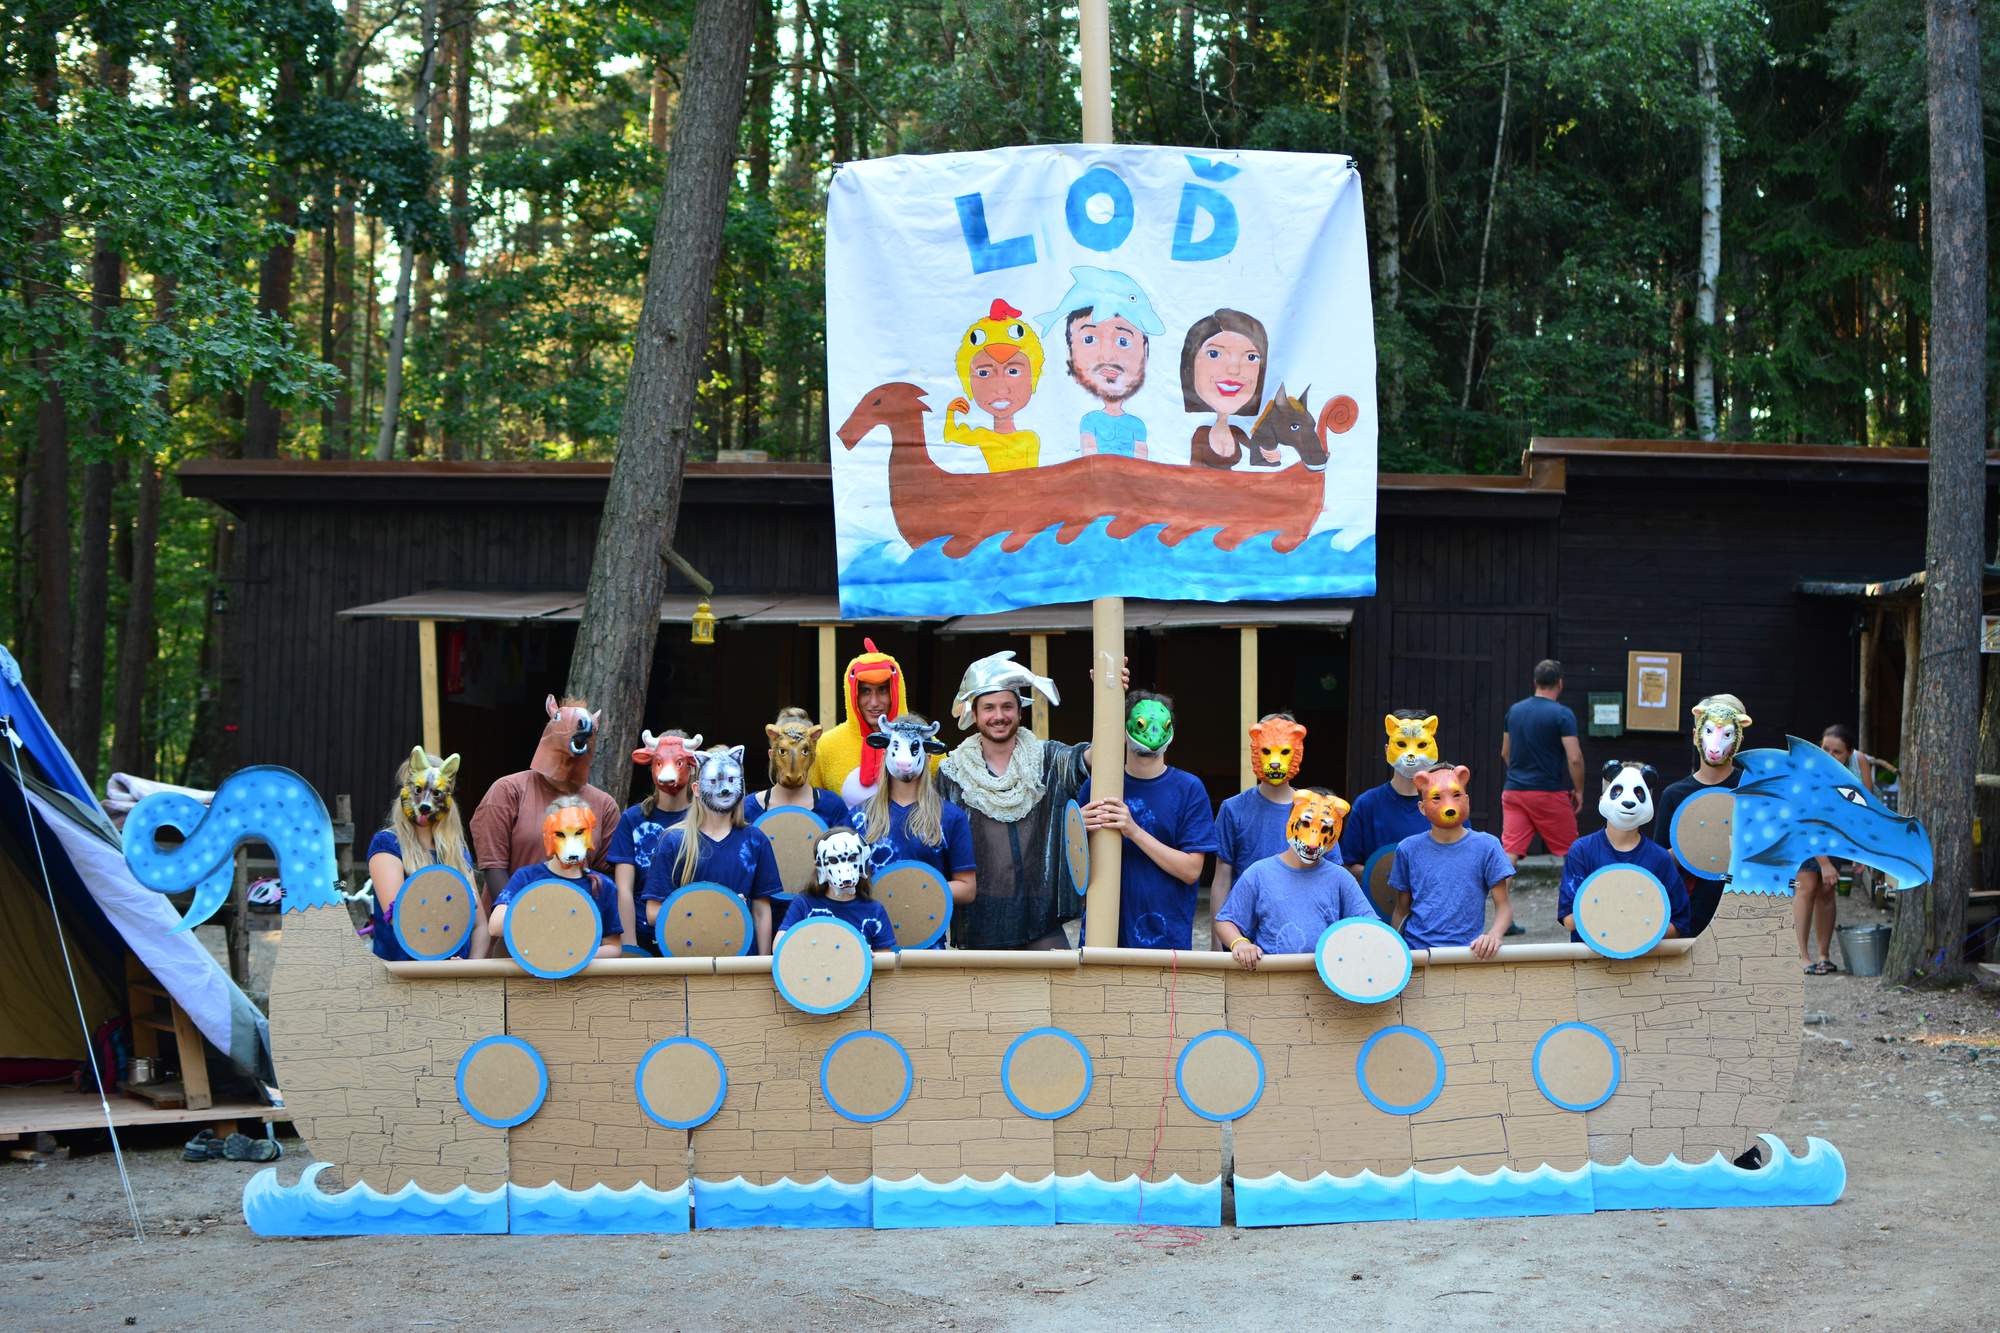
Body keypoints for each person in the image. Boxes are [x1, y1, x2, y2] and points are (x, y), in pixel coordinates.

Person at [934, 649, 1119, 950]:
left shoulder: (1047, 759)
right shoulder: (951, 773)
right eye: (989, 708)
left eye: (1007, 706)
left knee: (1062, 982)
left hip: (1040, 919)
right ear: (974, 714)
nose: (999, 716)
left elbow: (1099, 755)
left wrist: (1109, 695)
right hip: (979, 923)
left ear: (1020, 712)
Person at [1079, 692, 1219, 950]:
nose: (1152, 733)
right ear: (1123, 730)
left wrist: (1133, 830)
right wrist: (1076, 832)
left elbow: (1191, 871)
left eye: (1162, 725)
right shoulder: (1096, 786)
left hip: (1165, 941)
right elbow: (1073, 872)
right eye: (1141, 724)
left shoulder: (1189, 789)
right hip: (1103, 939)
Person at [468, 695, 621, 915]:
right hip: (512, 924)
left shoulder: (604, 805)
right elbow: (493, 866)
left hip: (574, 924)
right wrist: (520, 920)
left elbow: (606, 874)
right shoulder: (508, 791)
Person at [641, 746, 784, 954]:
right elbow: (653, 913)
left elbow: (761, 912)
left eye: (731, 780)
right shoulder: (673, 841)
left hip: (742, 961)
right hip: (690, 960)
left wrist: (762, 964)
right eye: (714, 781)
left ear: (742, 787)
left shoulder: (755, 840)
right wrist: (716, 909)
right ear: (697, 789)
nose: (724, 789)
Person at [850, 713, 977, 944]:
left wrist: (913, 890)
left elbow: (967, 888)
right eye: (897, 747)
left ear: (928, 755)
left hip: (926, 943)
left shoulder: (950, 817)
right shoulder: (858, 817)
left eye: (914, 748)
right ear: (885, 751)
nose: (904, 758)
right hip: (871, 944)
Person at [1214, 789, 1376, 969]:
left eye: (1325, 829)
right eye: (1305, 824)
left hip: (1324, 978)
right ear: (1291, 819)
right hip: (1271, 978)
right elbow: (1226, 920)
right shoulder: (1258, 873)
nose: (1313, 842)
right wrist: (1239, 943)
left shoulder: (1340, 878)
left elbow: (1370, 925)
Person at [367, 746, 487, 962]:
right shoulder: (388, 844)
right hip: (406, 975)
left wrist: (469, 969)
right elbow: (398, 918)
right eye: (419, 790)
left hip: (456, 975)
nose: (426, 801)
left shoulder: (455, 852)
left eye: (436, 793)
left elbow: (480, 926)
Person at [1035, 265, 1165, 459]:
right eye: (1089, 339)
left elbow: (1141, 457)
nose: (1107, 357)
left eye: (1123, 342)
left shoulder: (1136, 424)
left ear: (1145, 352)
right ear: (1069, 352)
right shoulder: (1090, 421)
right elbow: (1089, 455)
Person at [1653, 693, 1752, 938]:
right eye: (1708, 730)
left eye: (1727, 733)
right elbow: (1659, 862)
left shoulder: (1753, 789)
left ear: (1738, 737)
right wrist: (1689, 847)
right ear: (1696, 734)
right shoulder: (1674, 795)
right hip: (1690, 918)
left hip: (1742, 914)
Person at [1391, 763, 1515, 958]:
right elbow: (1401, 909)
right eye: (1436, 797)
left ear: (1467, 799)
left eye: (1456, 794)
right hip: (1417, 952)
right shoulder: (1407, 849)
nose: (1449, 803)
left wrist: (1494, 935)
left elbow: (1504, 906)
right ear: (1422, 807)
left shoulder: (1487, 846)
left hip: (1468, 954)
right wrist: (1394, 951)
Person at [1558, 762, 1689, 944]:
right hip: (1592, 958)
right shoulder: (1581, 851)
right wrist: (1633, 922)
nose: (1628, 801)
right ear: (1602, 798)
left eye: (1638, 793)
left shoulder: (1660, 859)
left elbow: (1679, 924)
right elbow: (1569, 919)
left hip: (1644, 960)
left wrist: (1630, 929)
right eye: (1618, 791)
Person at [489, 796, 623, 962]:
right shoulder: (527, 878)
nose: (571, 841)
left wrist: (574, 958)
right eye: (560, 834)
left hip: (580, 975)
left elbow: (613, 947)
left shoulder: (602, 886)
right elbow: (496, 926)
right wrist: (544, 917)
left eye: (579, 832)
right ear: (548, 836)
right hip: (533, 971)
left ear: (590, 833)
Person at [607, 729, 702, 955]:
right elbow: (624, 889)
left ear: (691, 766)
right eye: (659, 762)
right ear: (651, 765)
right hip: (643, 934)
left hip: (694, 934)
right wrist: (630, 948)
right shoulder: (632, 819)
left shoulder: (705, 819)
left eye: (678, 762)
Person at [1212, 713, 1308, 918]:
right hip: (1243, 926)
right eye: (1266, 751)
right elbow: (1222, 878)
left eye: (1284, 751)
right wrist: (1217, 934)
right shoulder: (1232, 809)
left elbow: (1332, 873)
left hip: (1297, 922)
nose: (1275, 763)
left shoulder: (1313, 810)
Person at [1796, 724, 1872, 975]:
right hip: (1806, 829)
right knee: (1807, 887)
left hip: (1837, 831)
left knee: (1827, 891)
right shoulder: (1811, 771)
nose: (1828, 755)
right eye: (1824, 748)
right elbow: (1808, 820)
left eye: (1836, 752)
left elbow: (1866, 809)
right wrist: (1825, 863)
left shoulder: (1859, 762)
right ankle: (1801, 956)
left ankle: (1823, 956)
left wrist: (1861, 852)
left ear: (1849, 753)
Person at [1499, 660, 1584, 875]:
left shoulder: (1514, 711)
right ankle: (1575, 896)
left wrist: (1519, 775)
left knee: (1510, 852)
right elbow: (1575, 758)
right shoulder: (1562, 714)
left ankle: (1498, 897)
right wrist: (1579, 790)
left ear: (1535, 682)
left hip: (1514, 791)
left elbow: (1505, 752)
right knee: (1572, 852)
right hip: (1548, 792)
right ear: (1560, 683)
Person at [810, 638, 916, 809]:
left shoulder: (924, 744)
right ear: (852, 694)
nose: (874, 702)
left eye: (883, 690)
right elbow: (814, 812)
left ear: (896, 691)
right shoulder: (825, 747)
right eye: (865, 691)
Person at [1339, 711, 1440, 886]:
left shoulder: (1448, 805)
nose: (1411, 753)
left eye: (1421, 744)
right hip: (1380, 902)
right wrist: (1383, 877)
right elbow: (1348, 864)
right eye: (1401, 744)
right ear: (1387, 750)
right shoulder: (1367, 804)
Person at [775, 828, 897, 950]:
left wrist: (866, 956)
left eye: (852, 858)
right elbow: (779, 947)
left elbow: (884, 957)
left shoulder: (874, 910)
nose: (844, 867)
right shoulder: (804, 904)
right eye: (833, 860)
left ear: (862, 861)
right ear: (820, 866)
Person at [1182, 307, 1270, 469]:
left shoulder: (1237, 431)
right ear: (1191, 362)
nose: (1234, 370)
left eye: (1251, 357)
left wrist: (1273, 456)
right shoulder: (1200, 433)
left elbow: (1263, 459)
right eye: (1214, 354)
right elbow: (1194, 472)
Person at [743, 708, 850, 826]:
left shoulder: (832, 807)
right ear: (772, 755)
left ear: (813, 756)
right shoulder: (747, 809)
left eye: (804, 752)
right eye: (783, 752)